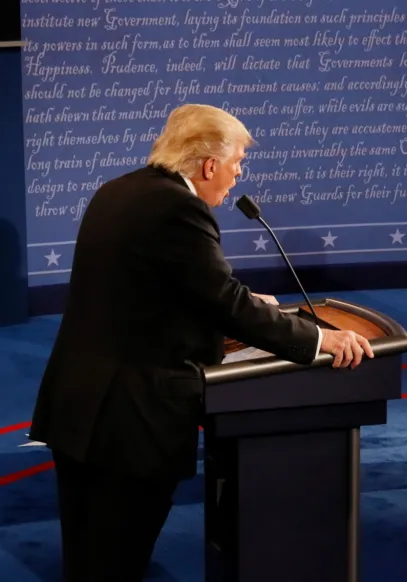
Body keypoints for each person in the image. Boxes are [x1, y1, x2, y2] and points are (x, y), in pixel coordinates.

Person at [28, 103, 374, 582]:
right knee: (115, 562)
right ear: (209, 164)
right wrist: (321, 339)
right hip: (129, 421)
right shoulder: (178, 209)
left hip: (80, 408)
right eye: (237, 163)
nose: (237, 175)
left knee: (89, 559)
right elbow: (225, 303)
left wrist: (238, 299)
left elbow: (145, 286)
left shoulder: (121, 190)